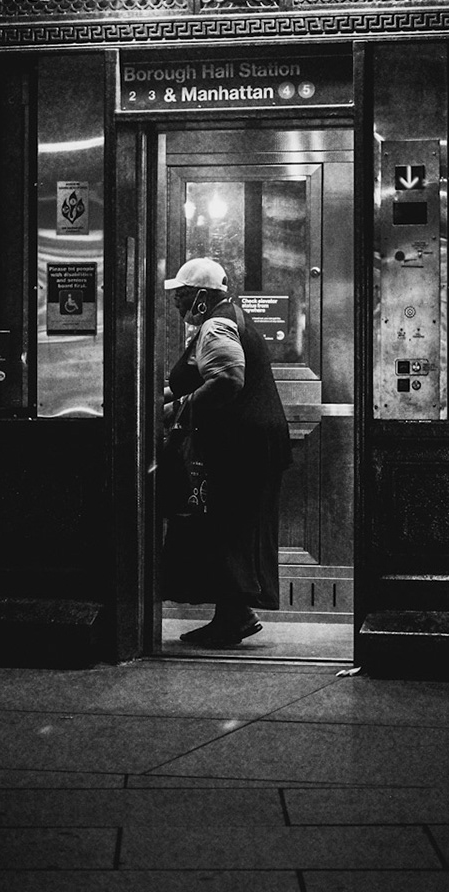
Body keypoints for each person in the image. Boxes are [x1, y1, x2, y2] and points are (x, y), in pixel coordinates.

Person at [159, 257, 290, 646]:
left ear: (202, 296)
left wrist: (177, 409)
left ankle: (234, 618)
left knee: (227, 527)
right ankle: (233, 614)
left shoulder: (216, 325)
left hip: (241, 445)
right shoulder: (228, 317)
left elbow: (228, 379)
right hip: (250, 443)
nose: (177, 304)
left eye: (182, 296)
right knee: (230, 529)